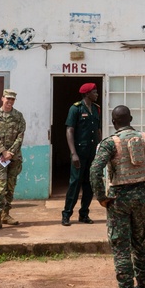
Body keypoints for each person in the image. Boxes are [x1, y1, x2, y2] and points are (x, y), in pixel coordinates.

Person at [90, 105, 145, 288]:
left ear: (113, 122)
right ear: (131, 118)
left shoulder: (109, 143)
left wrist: (101, 198)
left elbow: (95, 170)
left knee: (120, 246)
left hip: (118, 201)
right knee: (140, 243)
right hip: (142, 198)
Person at [0, 88, 26, 231]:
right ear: (2, 98)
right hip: (0, 157)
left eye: (12, 99)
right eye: (8, 99)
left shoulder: (19, 116)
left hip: (14, 157)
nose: (10, 102)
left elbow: (20, 135)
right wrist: (3, 151)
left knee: (10, 187)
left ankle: (6, 214)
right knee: (0, 188)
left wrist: (11, 152)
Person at [62, 82, 101, 226]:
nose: (97, 94)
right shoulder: (76, 108)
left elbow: (97, 130)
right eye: (94, 92)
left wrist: (100, 149)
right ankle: (66, 214)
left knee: (89, 184)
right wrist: (73, 154)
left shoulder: (96, 109)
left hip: (92, 153)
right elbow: (69, 131)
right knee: (75, 183)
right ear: (87, 94)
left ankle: (84, 214)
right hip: (79, 152)